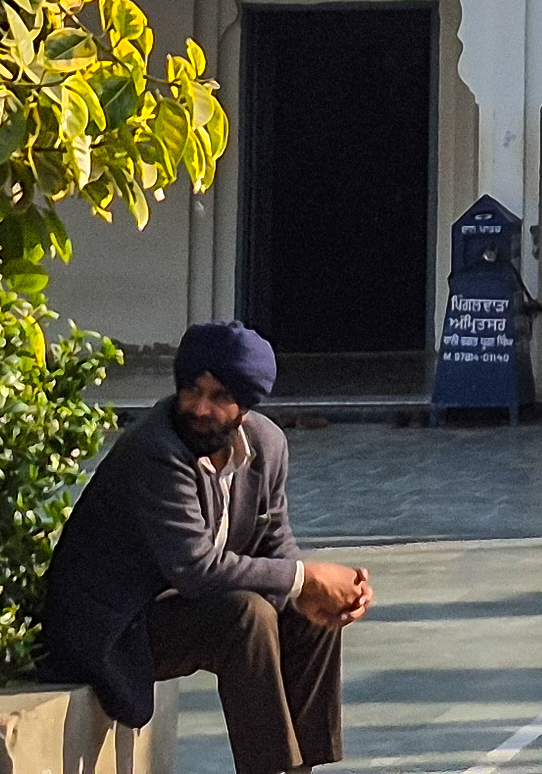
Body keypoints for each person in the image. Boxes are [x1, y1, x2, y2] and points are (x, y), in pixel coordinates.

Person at [38, 321, 372, 774]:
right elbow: (197, 568)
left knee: (308, 614)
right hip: (113, 629)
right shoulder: (155, 449)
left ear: (246, 404)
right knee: (245, 615)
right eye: (192, 390)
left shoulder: (267, 445)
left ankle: (304, 766)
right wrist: (307, 577)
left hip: (175, 608)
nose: (199, 408)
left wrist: (324, 592)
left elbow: (274, 541)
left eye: (219, 397)